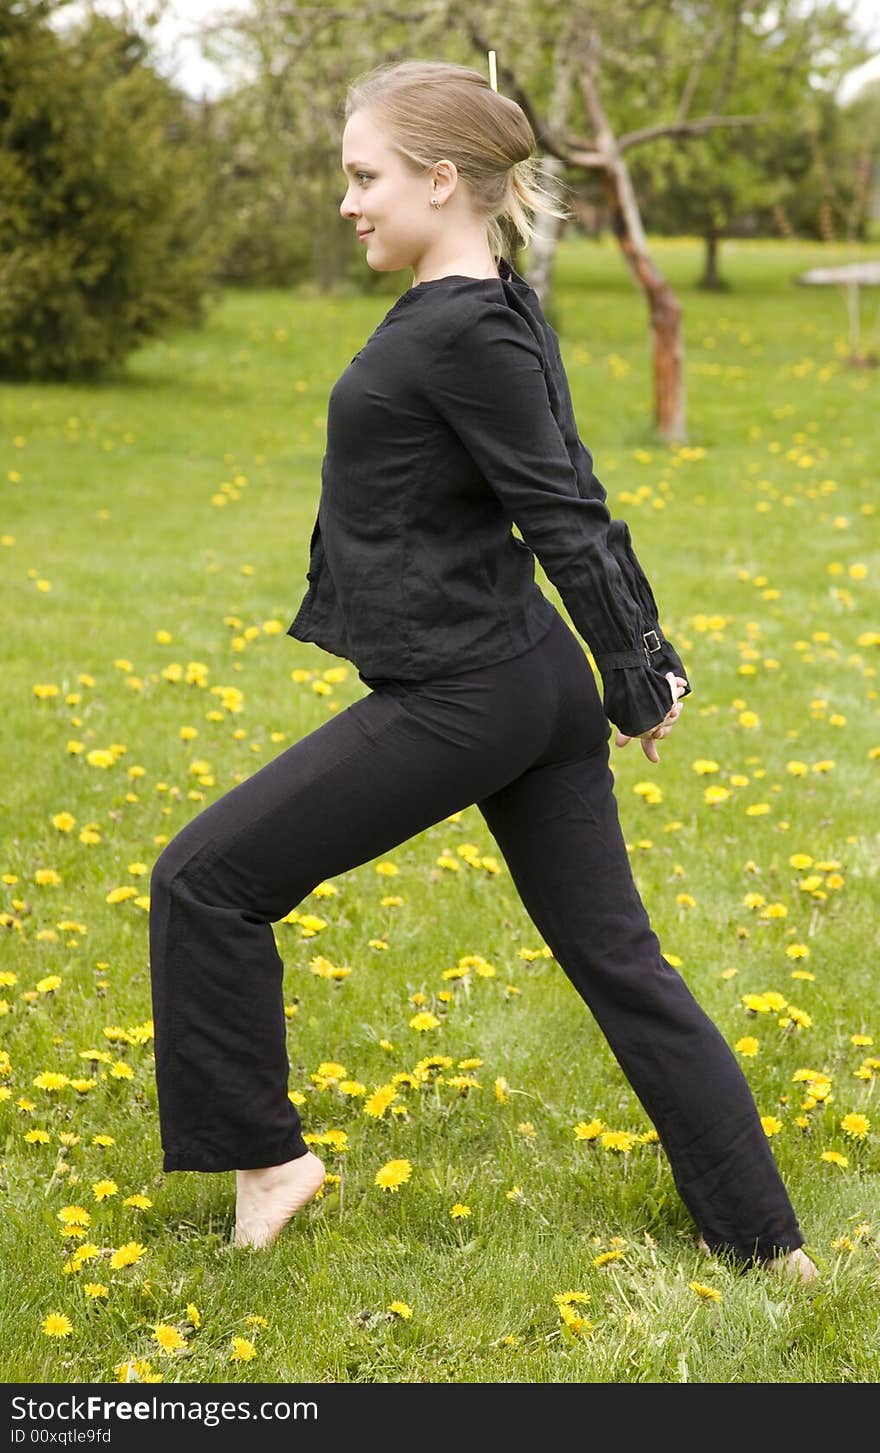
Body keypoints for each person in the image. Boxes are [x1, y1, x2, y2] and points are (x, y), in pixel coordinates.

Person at [148, 59, 817, 1283]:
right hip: (517, 679)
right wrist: (627, 669)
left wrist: (642, 670)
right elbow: (561, 490)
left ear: (442, 181)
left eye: (365, 176)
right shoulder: (484, 305)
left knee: (203, 881)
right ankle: (765, 1243)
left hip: (475, 693)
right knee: (621, 962)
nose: (347, 200)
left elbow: (565, 508)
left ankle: (270, 1163)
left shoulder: (465, 330)